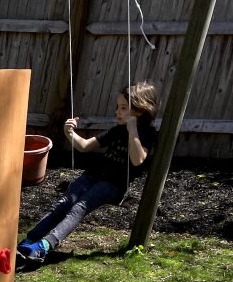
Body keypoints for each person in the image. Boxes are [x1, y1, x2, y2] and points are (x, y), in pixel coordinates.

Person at [16, 81, 159, 265]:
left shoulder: (147, 133)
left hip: (113, 184)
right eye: (118, 107)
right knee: (64, 202)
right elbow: (85, 146)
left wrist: (133, 131)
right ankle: (29, 241)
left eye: (123, 108)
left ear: (140, 110)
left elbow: (137, 159)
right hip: (92, 175)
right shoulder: (117, 130)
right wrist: (70, 133)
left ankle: (44, 246)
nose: (117, 112)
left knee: (79, 207)